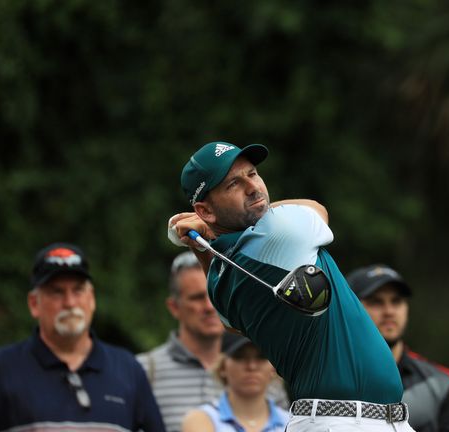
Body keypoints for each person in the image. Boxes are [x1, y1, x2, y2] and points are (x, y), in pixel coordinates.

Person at [169, 141, 414, 432]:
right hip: (344, 421)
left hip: (355, 420)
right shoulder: (279, 232)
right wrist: (207, 231)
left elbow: (232, 324)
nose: (253, 187)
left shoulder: (218, 282)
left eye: (253, 173)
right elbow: (316, 208)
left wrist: (202, 246)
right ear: (205, 210)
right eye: (234, 183)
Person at [0, 242, 164, 431]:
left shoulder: (128, 370)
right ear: (34, 303)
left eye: (78, 290)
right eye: (57, 292)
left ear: (91, 298)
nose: (70, 303)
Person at [346, 264, 449, 432]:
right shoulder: (327, 381)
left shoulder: (441, 385)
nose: (389, 311)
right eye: (376, 302)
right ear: (350, 309)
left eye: (396, 301)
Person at [136, 251, 230, 432]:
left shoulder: (258, 368)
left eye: (214, 294)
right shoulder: (144, 369)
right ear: (174, 307)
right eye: (197, 297)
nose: (210, 307)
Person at [181, 333, 290, 432]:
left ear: (273, 368)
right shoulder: (201, 419)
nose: (251, 366)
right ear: (223, 367)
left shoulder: (291, 422)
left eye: (261, 357)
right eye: (240, 357)